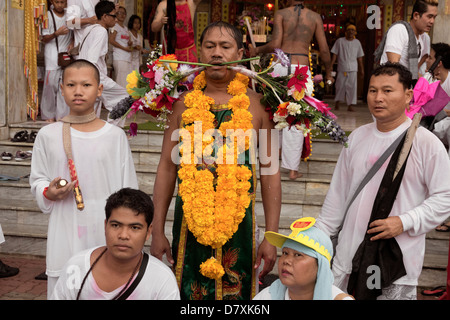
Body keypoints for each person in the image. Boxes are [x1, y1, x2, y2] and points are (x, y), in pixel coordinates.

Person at [150, 21, 281, 300]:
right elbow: (166, 167)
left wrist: (271, 234)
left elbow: (270, 173)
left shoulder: (258, 105)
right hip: (189, 225)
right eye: (209, 47)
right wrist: (157, 229)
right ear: (199, 53)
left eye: (225, 46)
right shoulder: (182, 105)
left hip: (239, 225)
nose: (217, 53)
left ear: (240, 52)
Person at [315, 62, 450, 300]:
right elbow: (337, 196)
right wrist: (317, 240)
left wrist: (404, 221)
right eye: (373, 90)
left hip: (395, 260)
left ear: (408, 95)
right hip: (348, 253)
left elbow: (445, 197)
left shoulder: (426, 143)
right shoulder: (357, 137)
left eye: (387, 91)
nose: (378, 98)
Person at [30, 59, 138, 298]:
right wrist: (49, 192)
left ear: (99, 90)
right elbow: (37, 180)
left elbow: (129, 191)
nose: (78, 91)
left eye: (86, 85)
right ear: (61, 88)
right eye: (71, 85)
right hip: (65, 229)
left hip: (105, 231)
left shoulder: (114, 136)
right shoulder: (48, 134)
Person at [249, 0, 333, 181]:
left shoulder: (281, 13)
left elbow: (275, 44)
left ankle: (274, 160)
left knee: (276, 113)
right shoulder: (314, 17)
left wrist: (256, 50)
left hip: (280, 65)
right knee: (296, 118)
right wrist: (328, 74)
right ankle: (292, 169)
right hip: (301, 69)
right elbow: (324, 50)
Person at [51, 188, 180, 300]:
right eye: (116, 225)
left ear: (148, 232)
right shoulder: (76, 268)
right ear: (105, 226)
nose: (123, 235)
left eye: (134, 227)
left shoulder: (162, 279)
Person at [254, 217, 353, 300]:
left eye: (298, 255)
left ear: (320, 266)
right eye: (285, 253)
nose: (286, 261)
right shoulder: (267, 296)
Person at [77, 1, 128, 125]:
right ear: (104, 16)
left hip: (83, 75)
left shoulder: (89, 29)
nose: (116, 19)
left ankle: (90, 134)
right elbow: (91, 59)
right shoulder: (100, 31)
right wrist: (93, 82)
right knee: (124, 97)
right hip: (93, 76)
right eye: (114, 16)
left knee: (90, 112)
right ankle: (112, 131)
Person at [375, 0, 438, 82]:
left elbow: (415, 68)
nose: (432, 21)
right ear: (416, 15)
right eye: (429, 16)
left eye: (434, 17)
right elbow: (393, 67)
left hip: (407, 86)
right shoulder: (399, 30)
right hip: (391, 84)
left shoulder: (424, 38)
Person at [40, 0, 73, 122]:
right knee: (50, 86)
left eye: (63, 2)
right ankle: (48, 115)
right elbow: (44, 38)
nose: (60, 5)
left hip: (66, 57)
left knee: (64, 87)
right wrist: (56, 33)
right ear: (52, 1)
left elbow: (75, 33)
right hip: (52, 56)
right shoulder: (47, 15)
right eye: (57, 2)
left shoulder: (70, 14)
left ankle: (62, 115)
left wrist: (72, 42)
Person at [330, 24, 364, 112]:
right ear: (346, 32)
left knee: (352, 87)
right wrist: (331, 66)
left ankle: (350, 105)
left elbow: (359, 58)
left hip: (353, 68)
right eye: (349, 30)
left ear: (355, 32)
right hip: (342, 67)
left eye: (353, 30)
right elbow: (335, 54)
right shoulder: (340, 41)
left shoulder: (357, 43)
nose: (351, 31)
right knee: (339, 86)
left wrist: (362, 70)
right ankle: (337, 103)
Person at [109, 6, 132, 88]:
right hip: (119, 56)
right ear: (115, 14)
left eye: (124, 13)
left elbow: (126, 41)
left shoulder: (125, 28)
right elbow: (111, 40)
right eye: (119, 13)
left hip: (127, 57)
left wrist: (129, 43)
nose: (122, 15)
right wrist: (124, 48)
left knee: (127, 81)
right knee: (120, 81)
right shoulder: (114, 26)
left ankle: (127, 99)